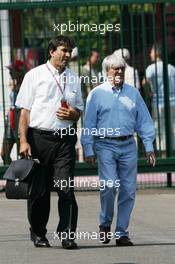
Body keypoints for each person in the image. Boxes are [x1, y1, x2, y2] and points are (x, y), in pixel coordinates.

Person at [15, 35, 83, 249]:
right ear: (52, 51)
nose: (67, 55)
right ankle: (38, 233)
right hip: (39, 139)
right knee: (40, 191)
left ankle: (67, 235)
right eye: (63, 50)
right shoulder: (34, 76)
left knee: (65, 188)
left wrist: (72, 113)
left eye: (69, 51)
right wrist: (23, 141)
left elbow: (78, 111)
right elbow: (24, 111)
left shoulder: (74, 78)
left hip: (64, 140)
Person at [81, 54, 156, 246]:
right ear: (107, 71)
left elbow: (144, 121)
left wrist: (148, 146)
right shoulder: (96, 94)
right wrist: (88, 148)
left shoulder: (133, 93)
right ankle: (105, 223)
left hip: (128, 145)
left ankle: (122, 232)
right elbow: (88, 123)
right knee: (109, 186)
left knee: (129, 190)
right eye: (115, 68)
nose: (119, 71)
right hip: (105, 145)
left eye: (122, 68)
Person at [143, 43, 175, 153]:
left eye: (151, 52)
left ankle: (163, 153)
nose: (150, 54)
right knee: (173, 127)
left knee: (160, 128)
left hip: (158, 102)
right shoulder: (171, 68)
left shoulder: (151, 68)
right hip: (173, 101)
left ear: (156, 53)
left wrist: (149, 93)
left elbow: (144, 82)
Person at [1, 60, 26, 164]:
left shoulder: (25, 85)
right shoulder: (13, 83)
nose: (10, 73)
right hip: (10, 120)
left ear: (20, 72)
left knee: (23, 154)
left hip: (21, 119)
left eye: (12, 70)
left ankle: (23, 178)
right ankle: (11, 173)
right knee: (4, 154)